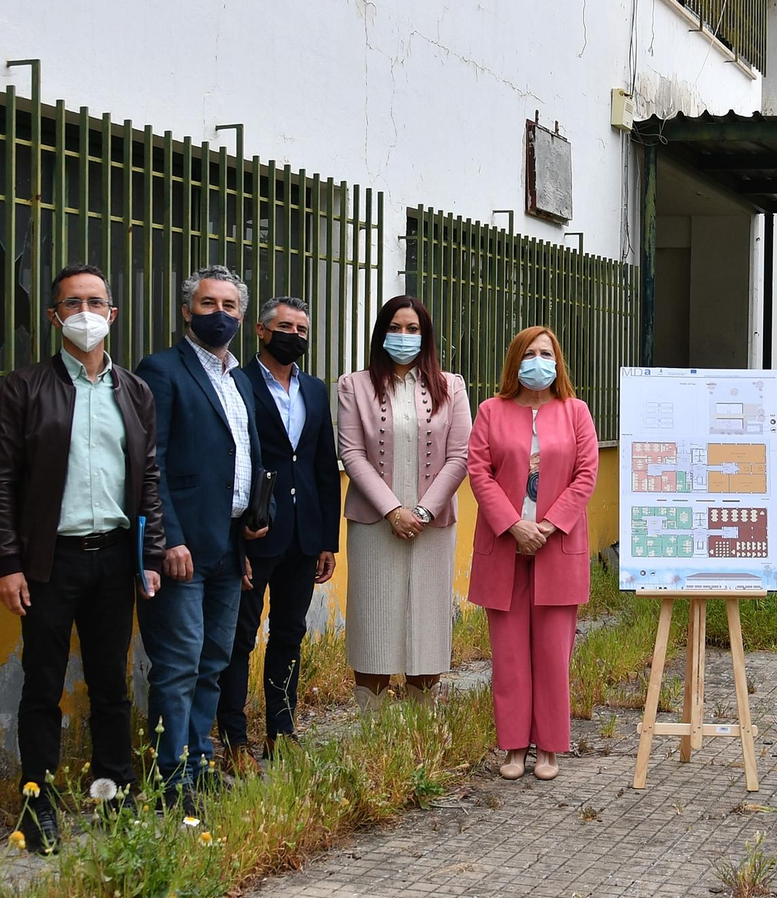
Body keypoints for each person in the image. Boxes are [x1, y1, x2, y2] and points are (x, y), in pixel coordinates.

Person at [0, 265, 165, 852]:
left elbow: (149, 479)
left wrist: (151, 554)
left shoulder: (133, 391)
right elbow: (1, 482)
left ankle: (114, 797)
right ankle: (38, 808)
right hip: (48, 564)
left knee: (111, 686)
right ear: (54, 315)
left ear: (112, 315)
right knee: (42, 686)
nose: (85, 312)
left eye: (96, 301)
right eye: (72, 302)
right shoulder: (24, 388)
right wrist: (7, 564)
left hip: (113, 559)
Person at [136, 265, 270, 812]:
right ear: (187, 311)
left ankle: (197, 761)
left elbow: (241, 461)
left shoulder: (238, 378)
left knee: (214, 660)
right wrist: (168, 539)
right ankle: (169, 778)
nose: (221, 315)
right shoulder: (161, 371)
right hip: (181, 551)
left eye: (230, 306)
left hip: (226, 546)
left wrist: (244, 540)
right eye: (209, 305)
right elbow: (153, 464)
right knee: (179, 663)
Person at [215, 297, 341, 775]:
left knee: (290, 633)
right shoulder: (237, 383)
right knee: (239, 638)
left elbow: (322, 464)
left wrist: (327, 538)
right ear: (262, 332)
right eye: (284, 326)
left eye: (303, 329)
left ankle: (281, 732)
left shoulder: (313, 388)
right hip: (255, 531)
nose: (294, 335)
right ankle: (233, 739)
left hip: (304, 534)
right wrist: (236, 538)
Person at [466, 326, 598, 781]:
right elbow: (479, 473)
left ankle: (550, 748)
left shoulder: (576, 412)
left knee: (552, 652)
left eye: (546, 353)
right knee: (508, 655)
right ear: (514, 361)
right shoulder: (490, 411)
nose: (537, 361)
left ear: (557, 362)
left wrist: (547, 525)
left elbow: (586, 475)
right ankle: (514, 747)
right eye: (529, 353)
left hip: (556, 545)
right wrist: (514, 524)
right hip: (505, 545)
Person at [337, 296, 471, 709]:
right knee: (374, 623)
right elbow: (351, 452)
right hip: (376, 524)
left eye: (413, 329)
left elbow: (460, 455)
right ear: (381, 333)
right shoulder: (353, 385)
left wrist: (423, 510)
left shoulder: (452, 385)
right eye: (396, 328)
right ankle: (371, 732)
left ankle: (421, 729)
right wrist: (393, 510)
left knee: (426, 625)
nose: (404, 337)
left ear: (426, 337)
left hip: (432, 525)